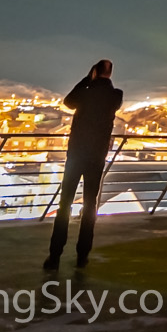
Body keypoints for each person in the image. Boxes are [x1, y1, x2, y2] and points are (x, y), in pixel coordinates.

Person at [44, 60, 122, 270]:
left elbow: (68, 101)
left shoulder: (86, 93)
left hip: (76, 155)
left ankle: (55, 256)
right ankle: (82, 255)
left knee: (64, 205)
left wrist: (87, 79)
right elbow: (111, 100)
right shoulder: (116, 95)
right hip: (97, 157)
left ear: (95, 71)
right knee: (90, 206)